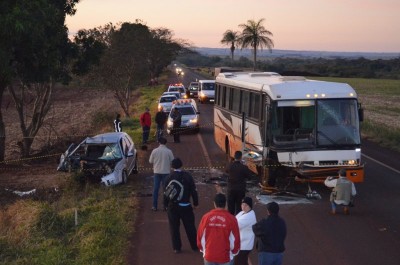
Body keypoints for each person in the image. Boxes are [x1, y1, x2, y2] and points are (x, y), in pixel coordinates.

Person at [164, 158, 199, 253]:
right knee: (190, 227)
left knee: (174, 227)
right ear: (181, 165)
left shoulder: (168, 177)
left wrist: (165, 205)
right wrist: (195, 203)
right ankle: (195, 246)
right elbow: (194, 191)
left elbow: (165, 193)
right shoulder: (187, 176)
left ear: (172, 166)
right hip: (185, 205)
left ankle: (177, 248)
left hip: (172, 206)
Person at [197, 193, 241, 265]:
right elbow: (236, 239)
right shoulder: (232, 219)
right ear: (225, 204)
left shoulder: (205, 217)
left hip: (209, 256)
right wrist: (234, 252)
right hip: (225, 257)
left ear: (214, 203)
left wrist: (204, 250)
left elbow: (200, 236)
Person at [225, 151, 254, 215]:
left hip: (231, 189)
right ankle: (238, 222)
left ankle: (231, 222)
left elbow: (226, 170)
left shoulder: (230, 166)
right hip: (240, 190)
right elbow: (250, 177)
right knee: (239, 208)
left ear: (234, 157)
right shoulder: (244, 167)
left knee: (230, 208)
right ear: (241, 157)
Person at [148, 137, 174, 211]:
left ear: (159, 142)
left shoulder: (154, 151)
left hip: (157, 172)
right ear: (165, 143)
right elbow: (172, 161)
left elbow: (150, 161)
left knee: (156, 189)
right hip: (166, 172)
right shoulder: (169, 151)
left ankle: (154, 206)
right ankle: (165, 206)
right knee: (166, 190)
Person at [234, 197, 257, 265]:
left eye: (245, 205)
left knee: (239, 262)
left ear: (249, 206)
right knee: (244, 261)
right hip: (242, 244)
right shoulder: (242, 213)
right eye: (242, 204)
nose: (243, 207)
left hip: (244, 245)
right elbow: (234, 220)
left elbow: (235, 225)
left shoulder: (249, 217)